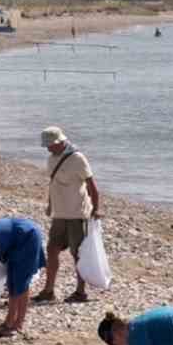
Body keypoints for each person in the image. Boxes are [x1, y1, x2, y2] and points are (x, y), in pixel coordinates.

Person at [34, 126, 101, 304]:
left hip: (77, 213)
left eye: (50, 145)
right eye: (46, 145)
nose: (48, 148)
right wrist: (50, 204)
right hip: (60, 214)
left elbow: (92, 185)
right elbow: (53, 183)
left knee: (78, 254)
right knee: (52, 249)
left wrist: (96, 208)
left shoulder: (78, 158)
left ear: (61, 142)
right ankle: (49, 290)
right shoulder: (51, 159)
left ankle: (80, 292)